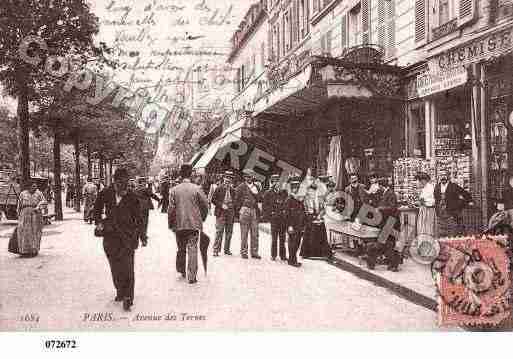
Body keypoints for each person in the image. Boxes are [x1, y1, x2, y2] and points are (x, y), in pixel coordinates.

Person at [93, 168, 142, 311]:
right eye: (121, 183)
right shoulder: (105, 193)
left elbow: (139, 218)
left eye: (127, 183)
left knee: (128, 267)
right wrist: (100, 223)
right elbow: (96, 210)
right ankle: (120, 290)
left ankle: (128, 296)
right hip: (110, 236)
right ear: (115, 181)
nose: (125, 187)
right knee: (115, 266)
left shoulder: (132, 197)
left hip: (128, 237)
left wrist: (140, 235)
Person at [168, 164, 209, 284]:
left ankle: (181, 270)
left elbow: (171, 209)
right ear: (191, 174)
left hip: (179, 224)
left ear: (180, 174)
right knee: (192, 248)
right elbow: (205, 206)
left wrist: (171, 223)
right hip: (193, 224)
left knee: (181, 248)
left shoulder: (174, 190)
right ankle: (192, 276)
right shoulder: (197, 189)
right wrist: (201, 218)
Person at [366, 178, 401, 271]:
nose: (378, 188)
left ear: (382, 186)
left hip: (391, 222)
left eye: (379, 186)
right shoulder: (384, 193)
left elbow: (392, 208)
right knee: (387, 243)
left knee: (384, 242)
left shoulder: (391, 193)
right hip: (386, 222)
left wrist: (380, 208)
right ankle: (392, 263)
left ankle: (392, 263)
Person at [434, 172, 473, 237]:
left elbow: (465, 193)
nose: (443, 177)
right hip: (440, 213)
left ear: (448, 176)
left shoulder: (453, 186)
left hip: (451, 212)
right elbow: (435, 198)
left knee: (453, 230)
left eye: (444, 175)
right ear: (439, 177)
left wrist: (469, 201)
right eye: (441, 175)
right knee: (441, 231)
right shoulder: (437, 187)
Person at [300, 183, 333, 260]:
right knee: (309, 234)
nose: (312, 193)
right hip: (309, 219)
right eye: (311, 191)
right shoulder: (306, 200)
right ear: (308, 191)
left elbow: (323, 209)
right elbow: (304, 210)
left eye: (314, 191)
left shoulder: (319, 199)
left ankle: (322, 252)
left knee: (321, 234)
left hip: (318, 218)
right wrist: (310, 217)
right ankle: (308, 253)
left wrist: (319, 216)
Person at [235, 169, 262, 259]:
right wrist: (239, 210)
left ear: (252, 177)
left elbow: (259, 199)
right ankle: (244, 252)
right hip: (245, 209)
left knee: (255, 233)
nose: (249, 178)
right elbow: (236, 200)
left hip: (254, 210)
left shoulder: (256, 187)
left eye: (250, 177)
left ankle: (254, 252)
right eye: (247, 176)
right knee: (244, 233)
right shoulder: (241, 187)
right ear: (244, 177)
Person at [16, 182, 47, 257]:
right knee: (24, 232)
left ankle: (34, 250)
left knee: (35, 231)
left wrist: (39, 206)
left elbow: (44, 202)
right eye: (33, 186)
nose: (34, 188)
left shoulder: (39, 193)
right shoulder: (23, 194)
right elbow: (19, 205)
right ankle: (24, 251)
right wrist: (19, 214)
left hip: (36, 215)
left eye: (35, 186)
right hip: (25, 214)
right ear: (29, 187)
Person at [263, 174, 288, 261]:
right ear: (271, 182)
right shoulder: (268, 193)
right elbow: (265, 206)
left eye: (278, 181)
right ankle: (273, 255)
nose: (276, 183)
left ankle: (283, 255)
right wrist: (270, 214)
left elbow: (286, 203)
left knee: (282, 237)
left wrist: (285, 211)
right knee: (274, 238)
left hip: (282, 218)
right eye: (274, 181)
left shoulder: (284, 192)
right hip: (274, 218)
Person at [211, 171, 236, 256]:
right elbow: (213, 199)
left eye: (230, 178)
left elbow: (235, 201)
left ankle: (227, 249)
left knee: (229, 232)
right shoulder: (219, 188)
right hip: (221, 212)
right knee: (219, 231)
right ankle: (216, 250)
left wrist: (233, 207)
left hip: (230, 212)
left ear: (231, 180)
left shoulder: (233, 190)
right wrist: (221, 205)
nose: (228, 180)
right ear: (224, 178)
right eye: (227, 177)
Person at [284, 179, 306, 267]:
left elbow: (303, 212)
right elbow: (286, 214)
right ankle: (292, 260)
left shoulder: (299, 200)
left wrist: (304, 225)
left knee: (297, 243)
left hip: (299, 224)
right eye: (294, 188)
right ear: (291, 189)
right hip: (292, 225)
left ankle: (293, 259)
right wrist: (289, 226)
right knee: (292, 242)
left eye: (297, 188)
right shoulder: (289, 200)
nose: (296, 190)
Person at [135, 178, 161, 246]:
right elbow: (152, 195)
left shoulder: (135, 190)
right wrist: (159, 200)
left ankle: (137, 239)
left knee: (138, 224)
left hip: (137, 209)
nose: (145, 183)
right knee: (144, 224)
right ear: (142, 182)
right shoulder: (145, 189)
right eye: (144, 182)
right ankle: (144, 240)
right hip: (144, 209)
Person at [415, 172, 436, 239]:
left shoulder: (430, 188)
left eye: (417, 181)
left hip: (428, 212)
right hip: (424, 211)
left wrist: (423, 203)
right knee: (422, 230)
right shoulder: (424, 188)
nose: (417, 183)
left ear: (423, 181)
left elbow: (433, 202)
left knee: (427, 230)